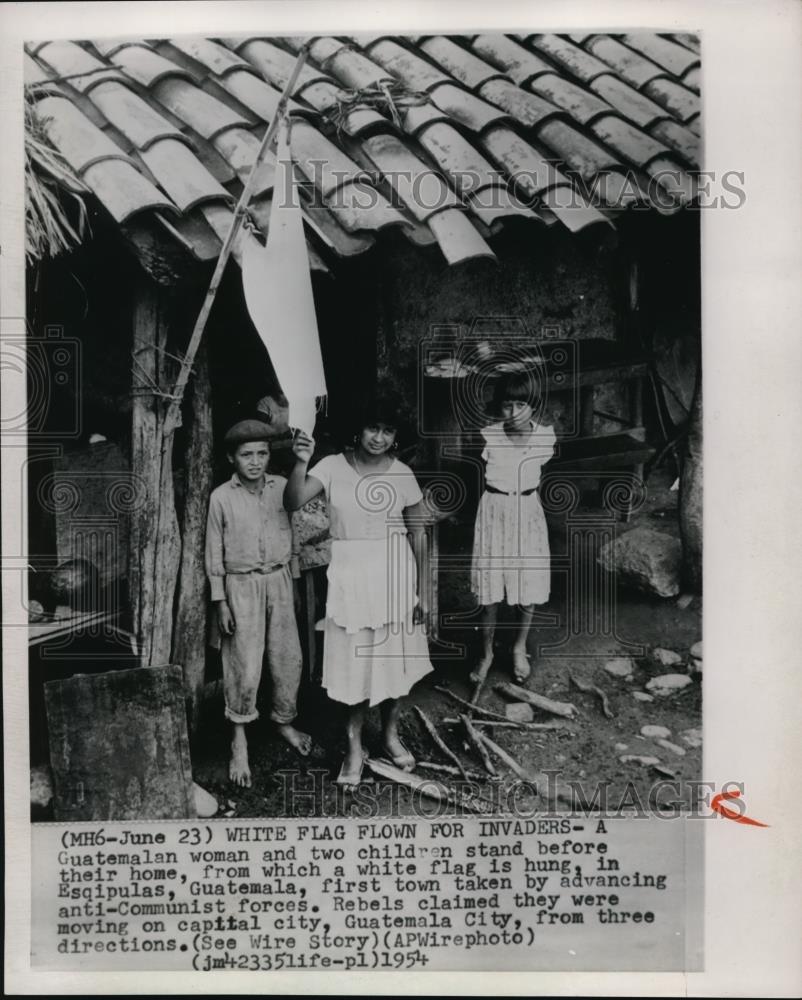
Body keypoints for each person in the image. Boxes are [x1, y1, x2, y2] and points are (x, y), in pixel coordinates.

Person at [284, 401, 433, 789]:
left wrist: (424, 592)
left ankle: (388, 734)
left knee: (393, 658)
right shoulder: (332, 466)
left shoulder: (402, 474)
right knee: (355, 661)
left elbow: (418, 533)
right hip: (351, 572)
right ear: (358, 429)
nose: (379, 438)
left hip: (395, 571)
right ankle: (354, 745)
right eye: (372, 428)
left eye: (388, 431)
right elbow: (293, 501)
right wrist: (301, 461)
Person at [205, 419, 312, 788]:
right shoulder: (221, 497)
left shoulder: (284, 487)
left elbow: (295, 538)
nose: (255, 462)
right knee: (244, 664)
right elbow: (213, 554)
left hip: (280, 579)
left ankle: (283, 720)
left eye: (262, 454)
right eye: (246, 455)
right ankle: (239, 739)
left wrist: (295, 582)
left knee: (287, 657)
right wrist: (221, 602)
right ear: (231, 459)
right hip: (241, 585)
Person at [470, 371, 556, 685]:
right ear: (499, 407)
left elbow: (539, 478)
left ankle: (519, 647)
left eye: (522, 404)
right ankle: (487, 652)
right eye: (508, 405)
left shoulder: (544, 437)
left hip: (528, 514)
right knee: (489, 588)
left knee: (528, 583)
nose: (514, 412)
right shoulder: (489, 436)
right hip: (494, 512)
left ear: (534, 406)